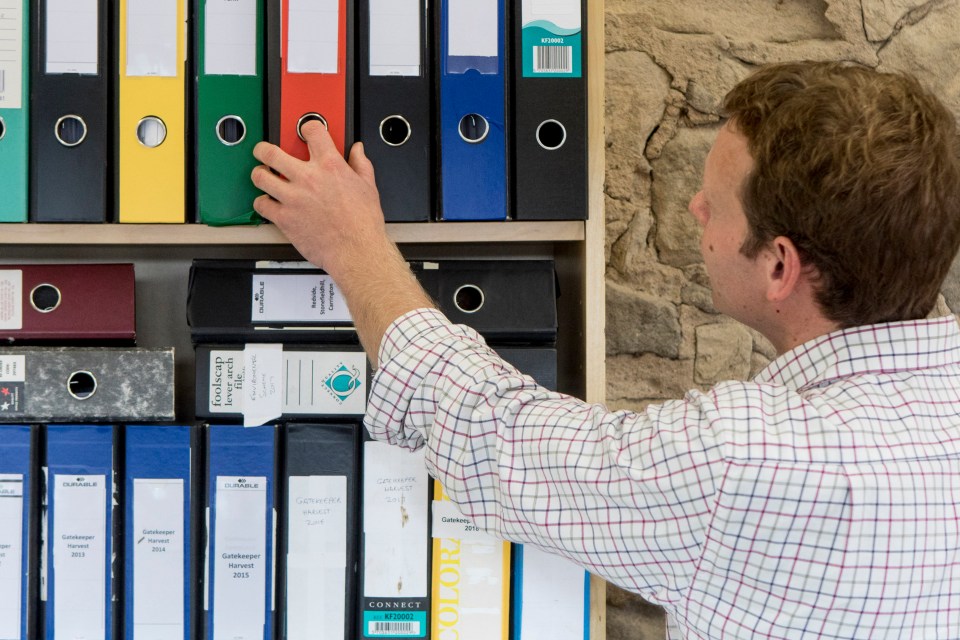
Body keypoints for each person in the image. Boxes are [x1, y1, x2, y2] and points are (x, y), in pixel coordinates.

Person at [250, 61, 960, 639]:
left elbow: (489, 438)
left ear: (780, 267)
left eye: (714, 204)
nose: (693, 210)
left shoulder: (744, 460)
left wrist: (352, 245)